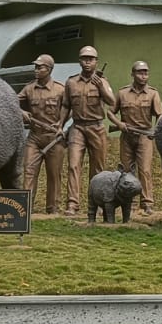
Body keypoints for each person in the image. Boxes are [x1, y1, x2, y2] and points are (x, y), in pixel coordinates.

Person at [63, 45, 115, 216]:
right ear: (80, 61)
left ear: (96, 62)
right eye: (84, 59)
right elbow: (65, 106)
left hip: (96, 127)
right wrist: (59, 125)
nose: (87, 62)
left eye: (90, 59)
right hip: (77, 127)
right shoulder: (71, 82)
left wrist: (100, 86)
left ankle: (97, 204)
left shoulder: (102, 81)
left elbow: (112, 101)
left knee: (98, 169)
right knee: (73, 165)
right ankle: (72, 204)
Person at [110, 60, 162, 216]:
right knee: (126, 171)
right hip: (127, 136)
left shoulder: (153, 93)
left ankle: (147, 203)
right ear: (132, 74)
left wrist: (156, 129)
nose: (143, 76)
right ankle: (129, 202)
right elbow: (110, 112)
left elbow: (160, 115)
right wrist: (119, 124)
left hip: (144, 136)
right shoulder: (122, 93)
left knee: (145, 170)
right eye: (140, 73)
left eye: (146, 72)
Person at [18, 53, 69, 213]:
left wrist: (61, 124)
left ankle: (52, 209)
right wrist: (21, 112)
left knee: (54, 174)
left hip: (54, 138)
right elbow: (11, 101)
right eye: (36, 67)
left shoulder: (60, 89)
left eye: (40, 67)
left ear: (49, 69)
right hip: (34, 137)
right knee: (29, 170)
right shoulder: (29, 88)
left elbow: (70, 108)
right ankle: (26, 208)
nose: (36, 70)